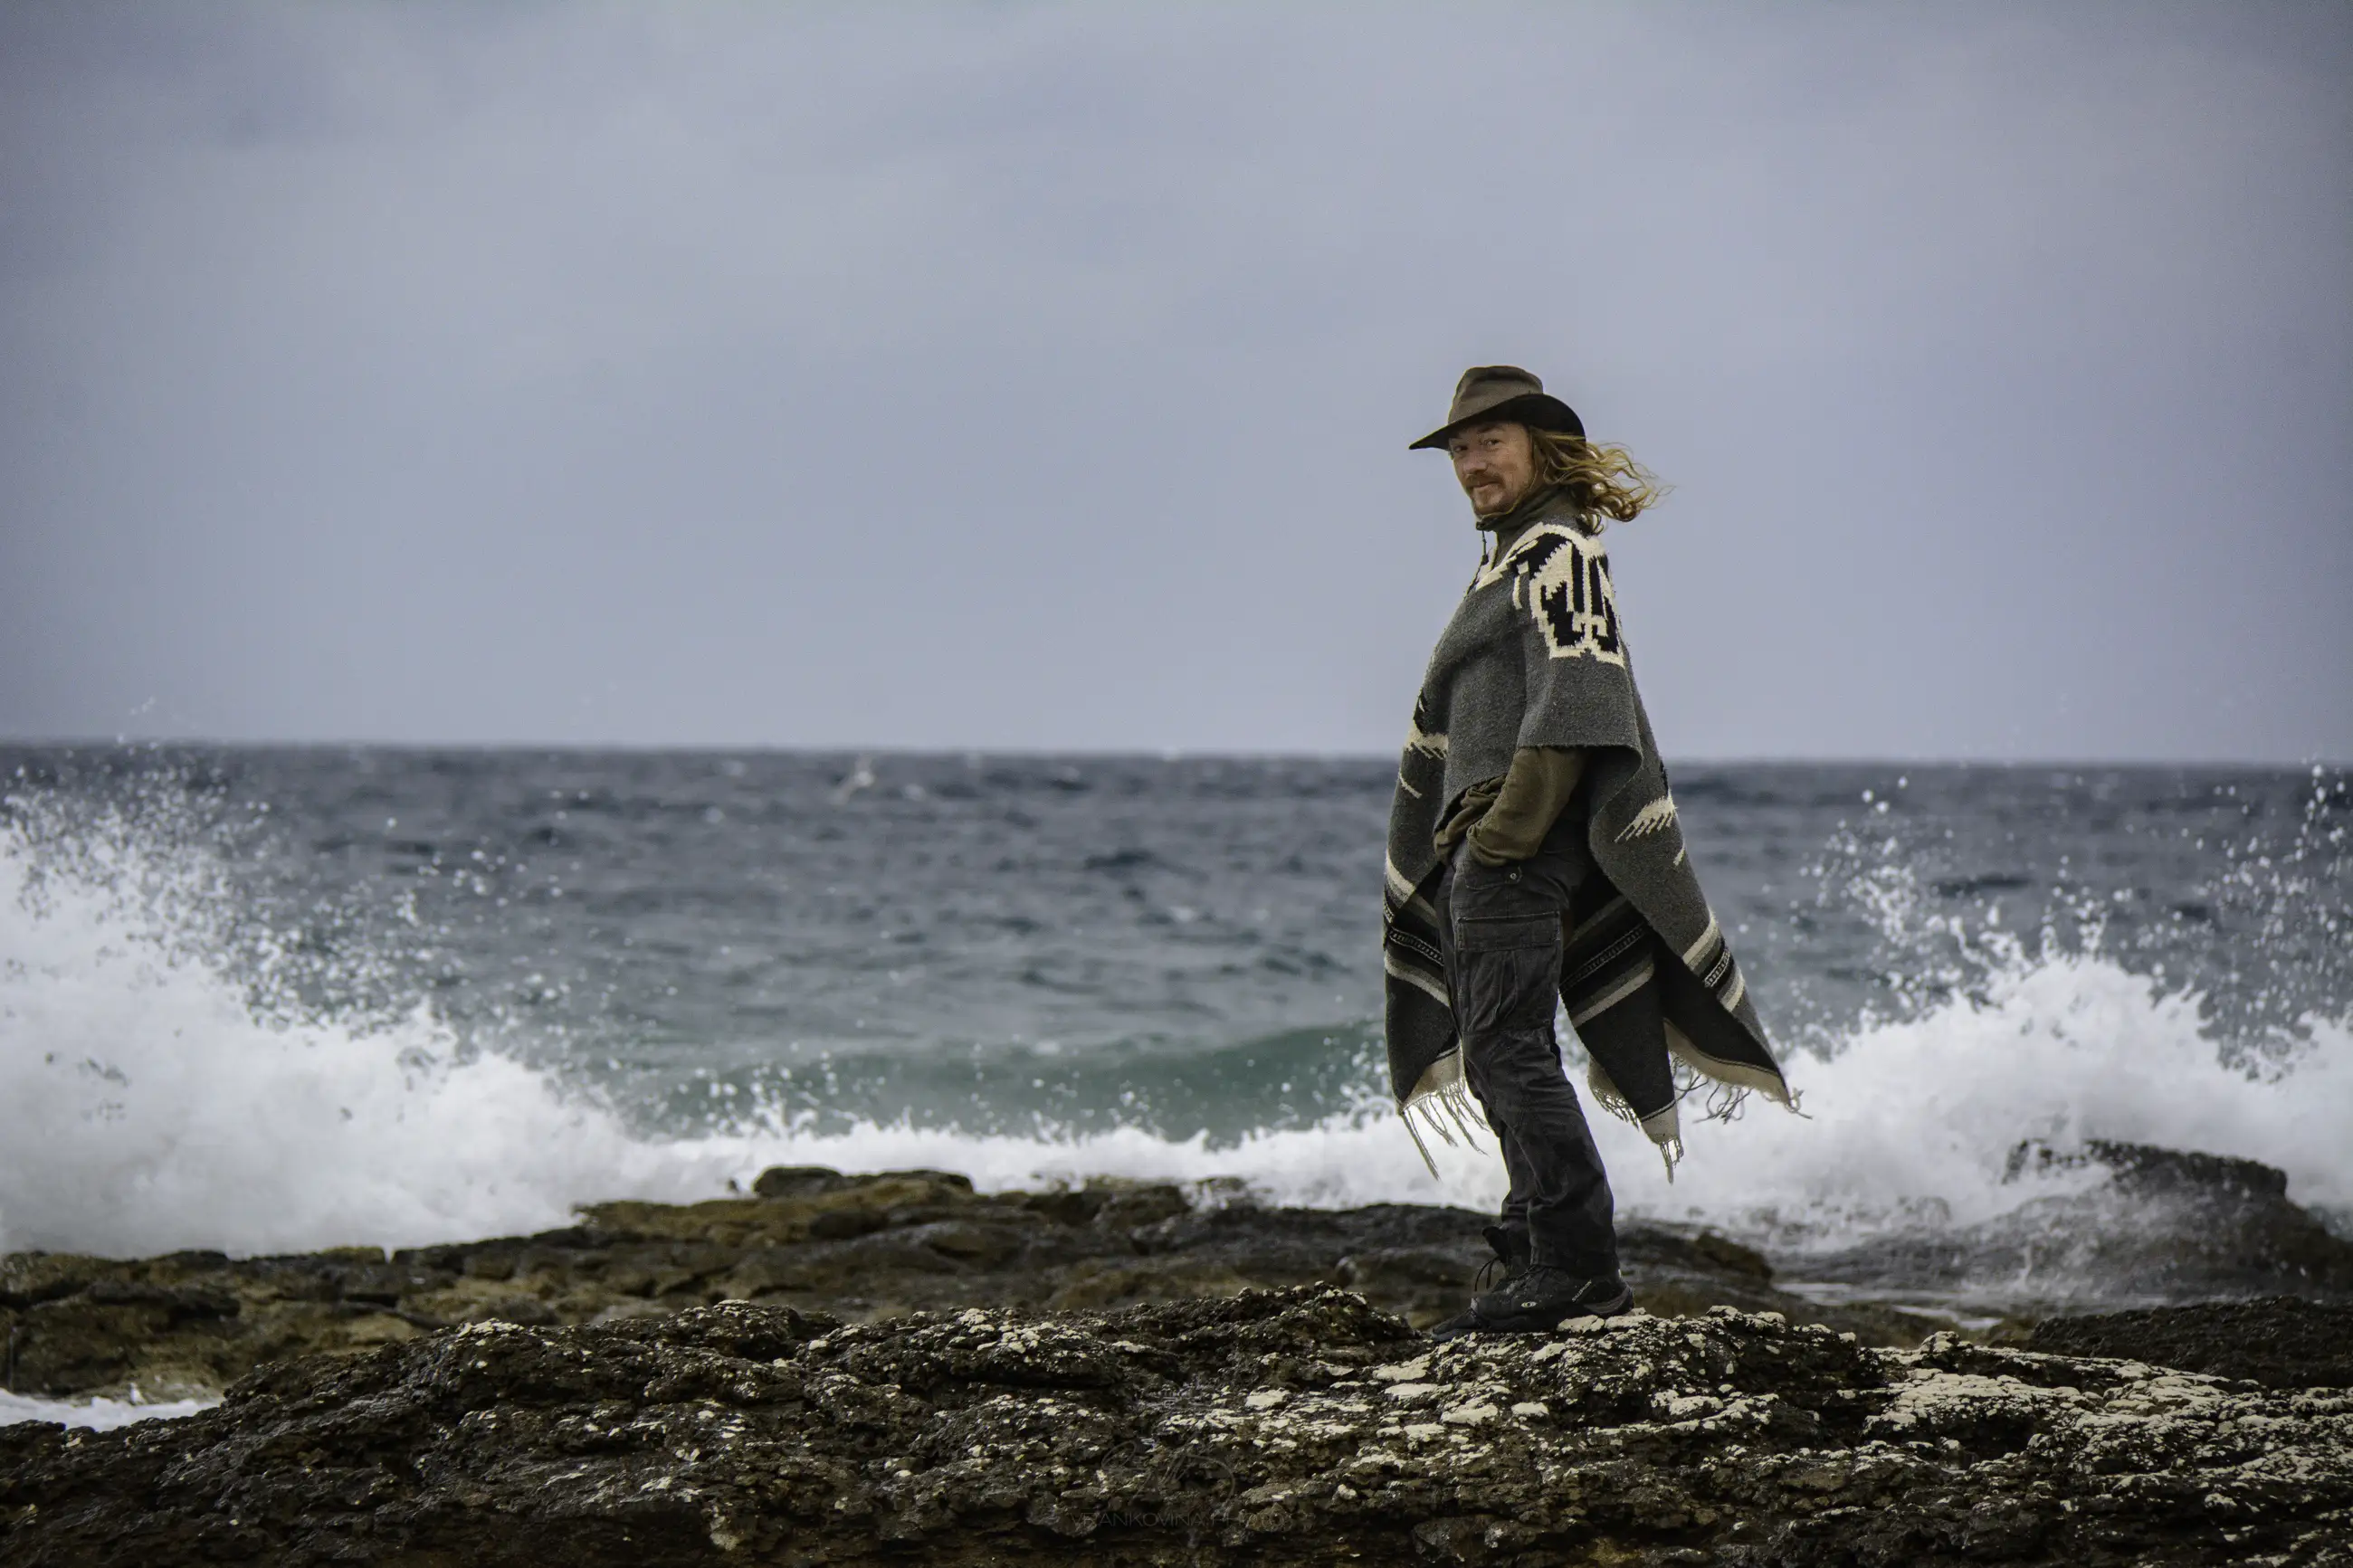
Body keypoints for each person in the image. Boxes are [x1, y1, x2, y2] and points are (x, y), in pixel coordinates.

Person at [1380, 365, 1796, 1336]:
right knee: (1499, 1047)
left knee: (1509, 1049)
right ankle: (1532, 1237)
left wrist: (1496, 840)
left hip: (1517, 847)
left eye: (1489, 442)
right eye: (1457, 448)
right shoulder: (1516, 555)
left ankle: (1575, 1263)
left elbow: (1575, 704)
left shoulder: (1556, 549)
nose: (1471, 462)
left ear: (1537, 446)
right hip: (1500, 846)